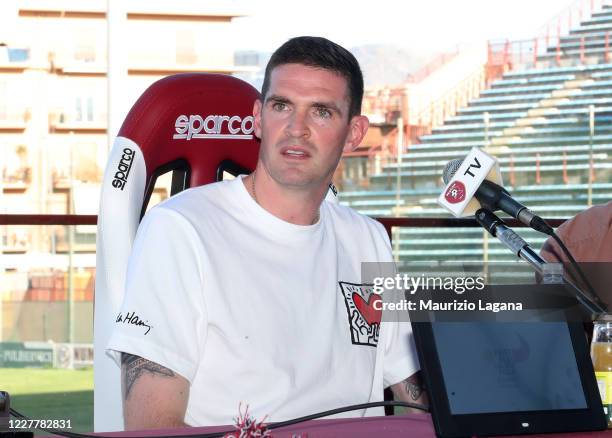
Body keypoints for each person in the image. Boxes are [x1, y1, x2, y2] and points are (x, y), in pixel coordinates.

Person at [107, 36, 424, 430]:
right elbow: (152, 427)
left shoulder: (369, 238)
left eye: (321, 112)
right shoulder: (180, 228)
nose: (296, 129)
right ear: (258, 117)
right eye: (281, 106)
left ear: (355, 133)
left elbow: (418, 398)